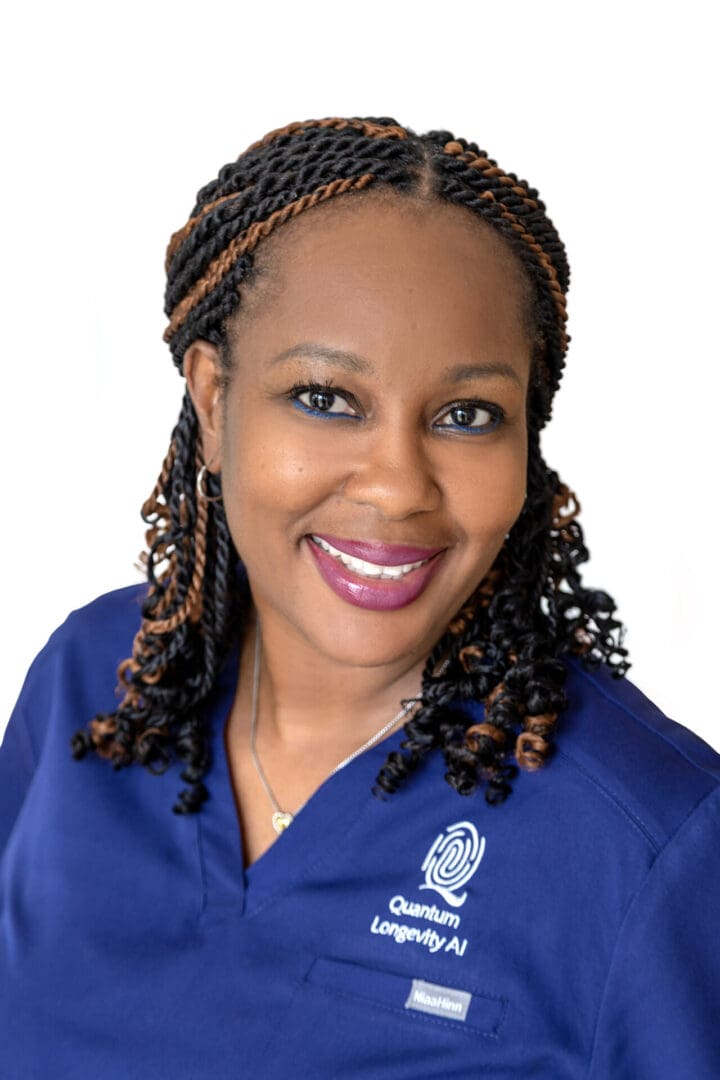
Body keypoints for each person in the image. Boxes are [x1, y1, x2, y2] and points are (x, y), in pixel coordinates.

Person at [1, 115, 718, 1079]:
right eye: (326, 398)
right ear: (214, 404)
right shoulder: (90, 682)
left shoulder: (651, 845)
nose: (396, 485)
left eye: (467, 417)